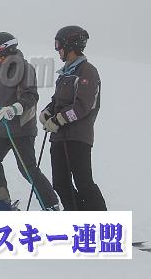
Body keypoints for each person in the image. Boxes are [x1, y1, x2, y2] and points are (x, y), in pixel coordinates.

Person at [0, 32, 59, 211]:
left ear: (3, 50)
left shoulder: (25, 68)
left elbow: (31, 96)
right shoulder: (0, 74)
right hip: (2, 129)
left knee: (27, 168)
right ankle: (1, 201)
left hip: (21, 129)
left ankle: (51, 204)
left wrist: (14, 109)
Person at [40, 26, 106, 211]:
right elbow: (57, 101)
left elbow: (83, 106)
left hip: (78, 137)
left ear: (71, 45)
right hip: (59, 137)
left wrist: (58, 120)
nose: (57, 49)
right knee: (60, 183)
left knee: (83, 183)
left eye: (59, 45)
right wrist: (47, 112)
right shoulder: (65, 73)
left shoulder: (87, 71)